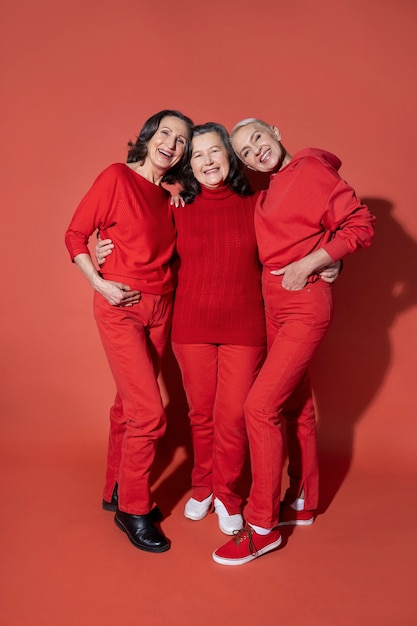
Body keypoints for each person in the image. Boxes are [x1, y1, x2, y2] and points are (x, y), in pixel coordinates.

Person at [96, 122, 341, 537]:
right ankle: (202, 487)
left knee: (231, 419)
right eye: (197, 155)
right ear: (190, 165)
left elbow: (311, 227)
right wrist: (104, 245)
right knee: (200, 416)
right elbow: (140, 234)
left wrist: (331, 260)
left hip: (245, 329)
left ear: (230, 156)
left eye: (214, 152)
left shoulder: (261, 204)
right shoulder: (177, 206)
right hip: (190, 328)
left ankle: (227, 494)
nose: (207, 161)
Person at [212, 118, 375, 566]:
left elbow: (359, 223)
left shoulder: (310, 170)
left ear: (276, 132)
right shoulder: (269, 191)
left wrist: (318, 263)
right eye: (244, 151)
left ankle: (261, 526)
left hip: (303, 305)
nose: (254, 151)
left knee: (258, 407)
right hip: (274, 308)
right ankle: (303, 499)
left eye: (258, 139)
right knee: (294, 405)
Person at [64, 109, 193, 553]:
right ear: (148, 137)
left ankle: (114, 488)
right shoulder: (116, 177)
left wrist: (176, 200)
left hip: (163, 308)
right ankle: (133, 508)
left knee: (127, 405)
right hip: (121, 307)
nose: (171, 144)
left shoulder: (169, 198)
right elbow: (76, 235)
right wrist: (99, 281)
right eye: (165, 134)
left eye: (180, 141)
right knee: (149, 414)